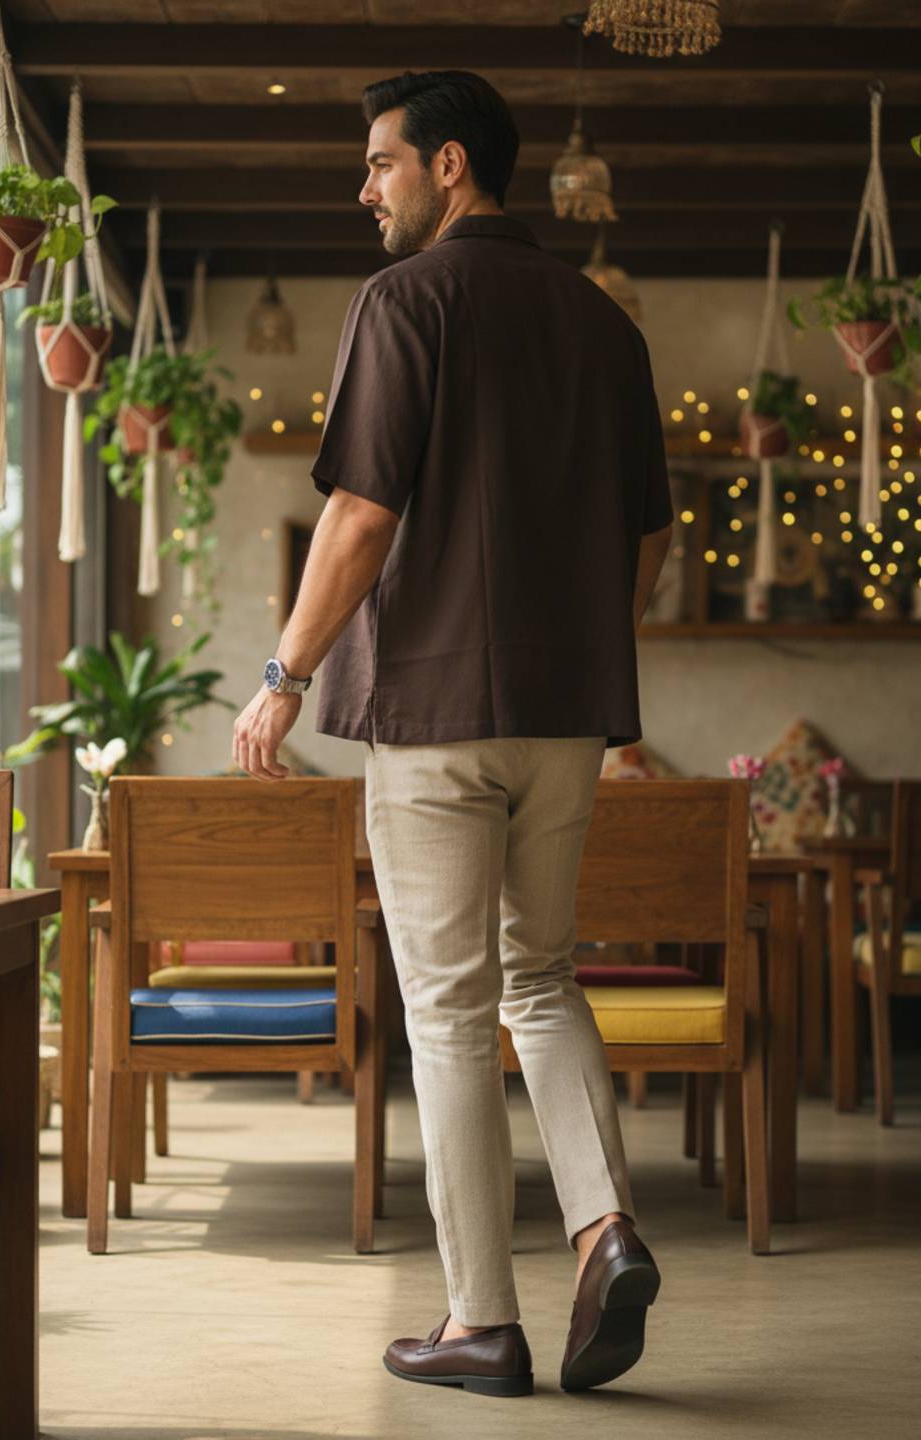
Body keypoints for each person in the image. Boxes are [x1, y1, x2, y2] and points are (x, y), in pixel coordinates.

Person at [232, 69, 672, 1400]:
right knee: (540, 976)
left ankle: (482, 1319)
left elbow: (362, 514)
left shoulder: (402, 301)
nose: (364, 188)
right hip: (565, 717)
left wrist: (281, 672)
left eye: (379, 163)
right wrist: (584, 652)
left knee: (449, 1008)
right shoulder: (607, 329)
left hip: (431, 713)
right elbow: (646, 539)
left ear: (453, 166)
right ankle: (606, 1224)